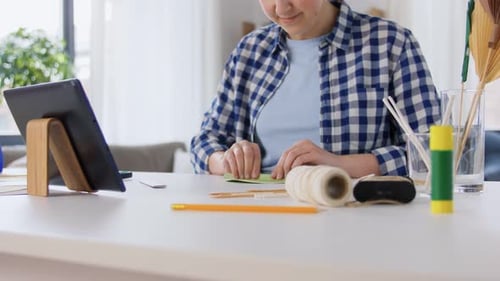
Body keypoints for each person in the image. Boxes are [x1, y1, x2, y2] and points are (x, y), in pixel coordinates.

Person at [190, 0, 440, 180]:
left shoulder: (390, 43)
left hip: (356, 216)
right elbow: (205, 141)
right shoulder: (249, 51)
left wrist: (339, 165)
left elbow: (434, 153)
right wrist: (226, 161)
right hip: (256, 215)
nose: (281, 8)